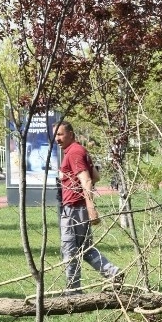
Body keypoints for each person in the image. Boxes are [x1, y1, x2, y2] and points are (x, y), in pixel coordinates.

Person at [56, 121, 122, 295]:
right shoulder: (78, 151)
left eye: (61, 134)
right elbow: (96, 176)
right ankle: (113, 273)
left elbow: (87, 180)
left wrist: (91, 208)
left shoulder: (74, 153)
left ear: (71, 133)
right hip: (77, 208)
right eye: (55, 135)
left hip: (74, 210)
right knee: (86, 249)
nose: (57, 138)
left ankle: (73, 292)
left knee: (69, 250)